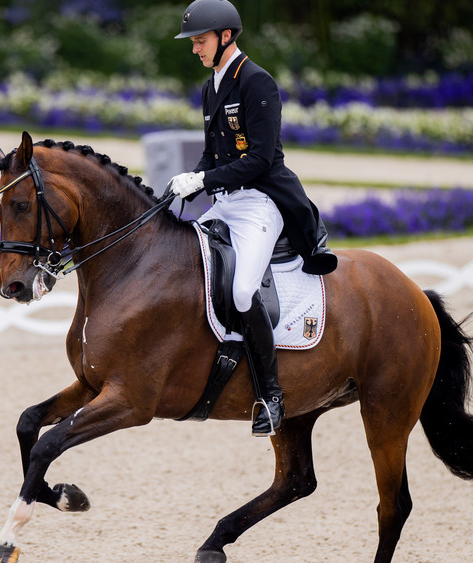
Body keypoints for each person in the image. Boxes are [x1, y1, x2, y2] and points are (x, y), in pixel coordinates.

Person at [169, 0, 337, 436]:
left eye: (200, 41)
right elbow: (212, 152)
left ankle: (272, 395)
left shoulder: (257, 82)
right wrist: (192, 177)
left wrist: (204, 179)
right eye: (193, 43)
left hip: (261, 203)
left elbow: (261, 160)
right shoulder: (211, 87)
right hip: (225, 201)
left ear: (226, 36)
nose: (195, 49)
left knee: (243, 289)